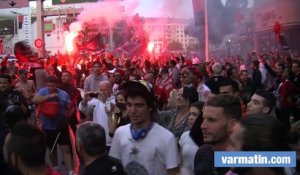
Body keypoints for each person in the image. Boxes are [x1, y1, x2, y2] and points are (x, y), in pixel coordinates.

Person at [109, 80, 179, 175]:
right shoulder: (120, 133)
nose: (133, 111)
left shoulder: (166, 138)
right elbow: (114, 167)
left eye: (139, 105)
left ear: (150, 107)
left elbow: (173, 172)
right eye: (129, 105)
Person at [32, 76, 74, 174]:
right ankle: (56, 168)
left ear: (57, 85)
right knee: (52, 149)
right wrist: (49, 96)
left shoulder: (63, 94)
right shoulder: (43, 91)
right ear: (46, 84)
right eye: (49, 85)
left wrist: (68, 117)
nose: (51, 87)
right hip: (48, 126)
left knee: (66, 149)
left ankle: (71, 171)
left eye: (53, 85)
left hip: (61, 125)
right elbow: (35, 100)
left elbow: (70, 107)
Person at [194, 95, 242, 175]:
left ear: (233, 125)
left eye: (211, 120)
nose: (203, 126)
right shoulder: (203, 152)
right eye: (203, 119)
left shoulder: (249, 160)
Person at [79, 80, 115, 148]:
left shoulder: (115, 100)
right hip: (98, 137)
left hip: (111, 139)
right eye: (101, 90)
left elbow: (110, 109)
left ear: (110, 89)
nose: (102, 92)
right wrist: (85, 99)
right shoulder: (96, 101)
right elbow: (83, 109)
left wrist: (104, 100)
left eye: (105, 90)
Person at [179, 101, 204, 175]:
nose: (190, 118)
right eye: (190, 114)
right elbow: (180, 162)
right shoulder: (185, 135)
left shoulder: (213, 139)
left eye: (195, 115)